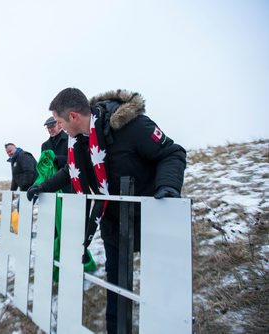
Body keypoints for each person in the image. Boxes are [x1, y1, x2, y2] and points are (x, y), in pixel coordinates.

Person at [27, 88, 186, 334]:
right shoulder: (78, 141)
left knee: (160, 287)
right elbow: (71, 171)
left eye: (59, 122)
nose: (59, 128)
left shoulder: (132, 127)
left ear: (73, 117)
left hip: (150, 218)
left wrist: (168, 187)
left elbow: (173, 153)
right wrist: (42, 186)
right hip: (112, 220)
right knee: (117, 285)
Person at [41, 116, 72, 194]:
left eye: (52, 126)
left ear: (59, 125)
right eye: (48, 128)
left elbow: (73, 160)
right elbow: (43, 165)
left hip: (68, 183)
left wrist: (56, 159)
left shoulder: (70, 139)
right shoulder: (44, 145)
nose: (50, 129)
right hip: (50, 184)